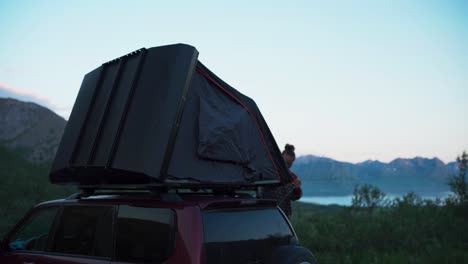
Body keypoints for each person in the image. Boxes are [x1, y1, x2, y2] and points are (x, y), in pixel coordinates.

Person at [264, 144, 302, 219]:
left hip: (285, 216)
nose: (288, 166)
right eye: (286, 162)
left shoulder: (290, 175)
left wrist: (297, 190)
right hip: (270, 214)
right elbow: (272, 196)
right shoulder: (270, 173)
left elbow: (294, 197)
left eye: (290, 163)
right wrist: (292, 185)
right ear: (280, 159)